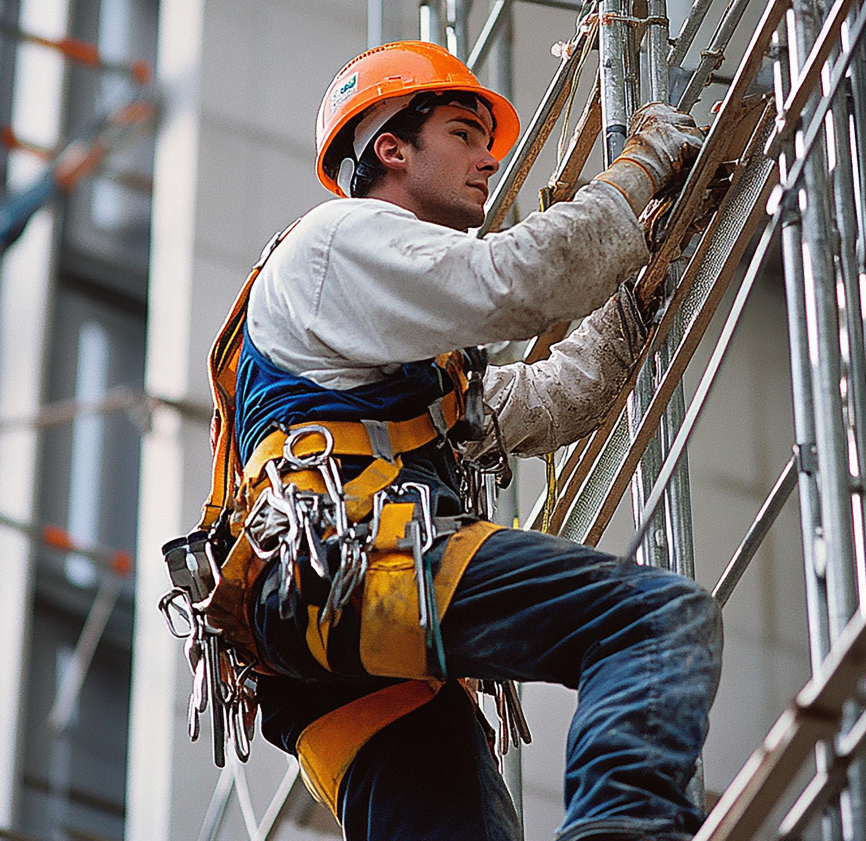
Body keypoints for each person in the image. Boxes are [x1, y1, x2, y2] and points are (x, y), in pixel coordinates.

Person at [200, 41, 723, 841]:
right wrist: (641, 169)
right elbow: (517, 279)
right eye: (462, 133)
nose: (487, 160)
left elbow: (550, 400)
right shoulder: (337, 242)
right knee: (650, 622)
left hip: (339, 657)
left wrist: (642, 290)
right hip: (349, 570)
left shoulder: (397, 369)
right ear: (390, 149)